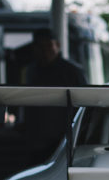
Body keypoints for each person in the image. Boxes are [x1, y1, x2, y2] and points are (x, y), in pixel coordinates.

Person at [21, 28, 88, 165]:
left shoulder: (72, 71)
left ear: (57, 45)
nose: (45, 51)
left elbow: (84, 104)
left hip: (64, 139)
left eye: (48, 46)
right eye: (40, 47)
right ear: (34, 49)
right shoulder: (30, 71)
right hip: (35, 139)